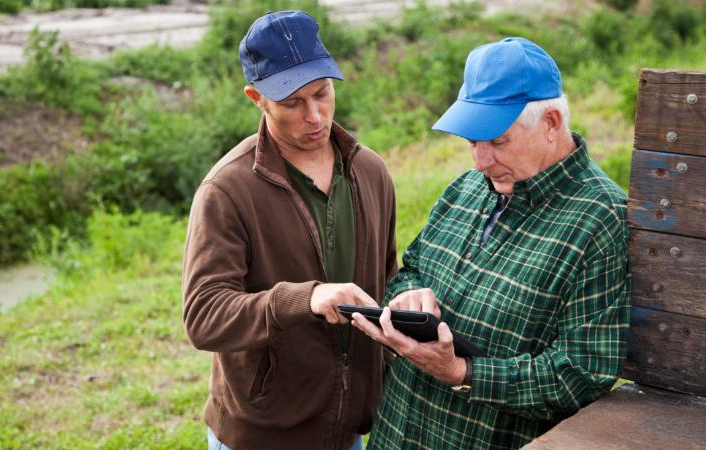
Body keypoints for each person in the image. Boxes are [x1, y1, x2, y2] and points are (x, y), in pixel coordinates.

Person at [350, 37, 631, 449]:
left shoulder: (602, 220)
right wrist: (408, 296)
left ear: (552, 122)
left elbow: (582, 374)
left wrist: (463, 372)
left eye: (498, 141)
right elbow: (408, 273)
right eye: (471, 140)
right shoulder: (466, 188)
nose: (480, 161)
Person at [181, 10, 398, 450]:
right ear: (255, 97)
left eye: (322, 93)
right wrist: (306, 298)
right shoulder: (226, 189)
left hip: (350, 431)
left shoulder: (372, 171)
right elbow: (204, 317)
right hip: (260, 435)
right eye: (292, 103)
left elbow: (388, 278)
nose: (315, 116)